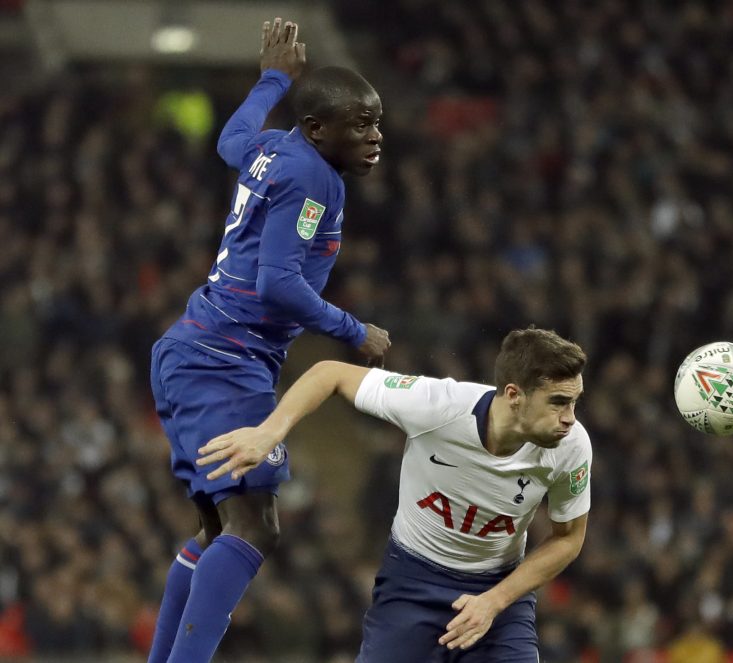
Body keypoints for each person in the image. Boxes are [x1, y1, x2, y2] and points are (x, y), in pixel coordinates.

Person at [148, 17, 391, 663]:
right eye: (360, 124)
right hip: (222, 362)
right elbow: (277, 283)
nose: (374, 137)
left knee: (217, 526)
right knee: (255, 525)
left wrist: (272, 80)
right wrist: (352, 329)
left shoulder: (278, 148)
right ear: (317, 129)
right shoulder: (313, 177)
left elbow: (231, 139)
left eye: (376, 122)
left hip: (194, 351)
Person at [198, 327, 593, 661]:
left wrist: (495, 600)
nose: (570, 417)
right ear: (514, 394)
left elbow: (569, 538)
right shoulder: (438, 405)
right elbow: (329, 373)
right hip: (413, 581)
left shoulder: (572, 447)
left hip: (498, 588)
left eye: (574, 401)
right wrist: (270, 432)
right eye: (558, 402)